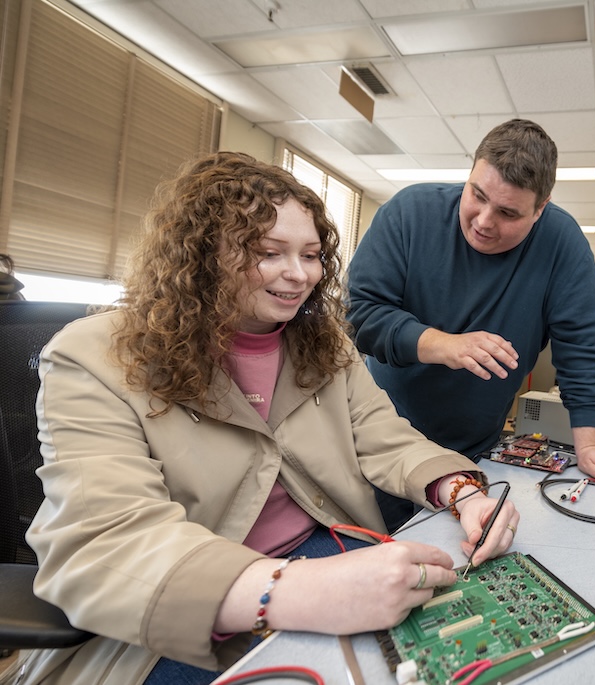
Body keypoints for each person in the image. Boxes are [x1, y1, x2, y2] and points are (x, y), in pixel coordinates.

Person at [20, 151, 519, 685]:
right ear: (201, 254)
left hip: (326, 550)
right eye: (269, 253)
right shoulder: (94, 357)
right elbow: (114, 540)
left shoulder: (326, 346)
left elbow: (386, 438)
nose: (299, 275)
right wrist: (304, 591)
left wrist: (462, 492)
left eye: (311, 255)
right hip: (192, 602)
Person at [346, 119, 595, 501]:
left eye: (508, 214)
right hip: (377, 439)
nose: (483, 221)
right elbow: (360, 314)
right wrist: (444, 345)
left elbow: (581, 353)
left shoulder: (563, 245)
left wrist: (589, 446)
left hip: (473, 450)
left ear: (540, 209)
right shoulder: (408, 213)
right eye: (477, 195)